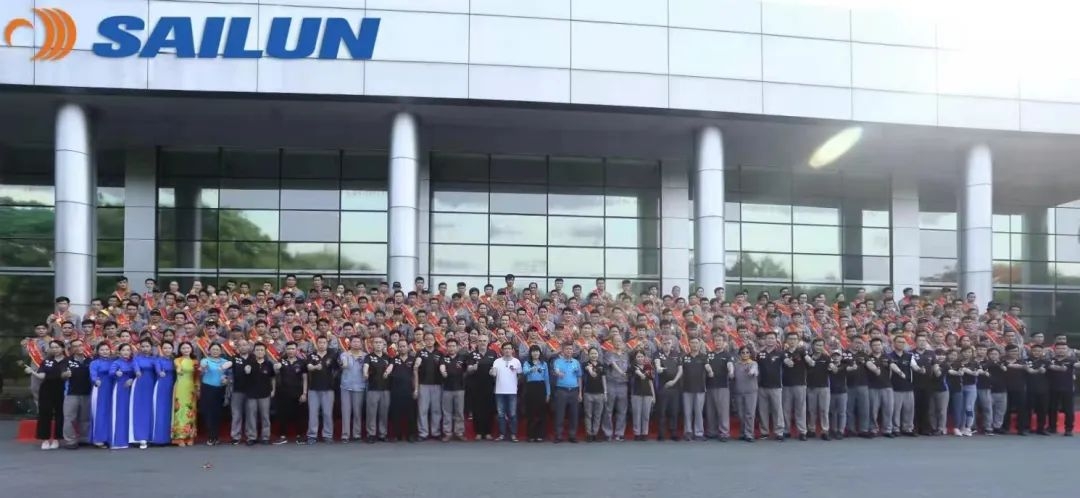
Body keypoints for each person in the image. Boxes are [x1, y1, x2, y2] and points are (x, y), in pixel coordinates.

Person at [24, 340, 66, 450]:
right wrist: (32, 371)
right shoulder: (47, 361)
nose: (55, 349)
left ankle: (57, 439)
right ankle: (45, 439)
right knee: (44, 414)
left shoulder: (68, 360)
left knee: (60, 414)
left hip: (62, 389)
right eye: (52, 347)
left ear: (62, 348)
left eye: (57, 347)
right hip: (47, 389)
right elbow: (42, 376)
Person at [306, 336, 338, 444]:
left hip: (328, 389)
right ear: (317, 344)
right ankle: (312, 435)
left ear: (327, 344)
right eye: (320, 342)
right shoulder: (312, 355)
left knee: (327, 413)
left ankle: (327, 435)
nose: (322, 344)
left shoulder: (332, 356)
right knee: (313, 413)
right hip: (313, 389)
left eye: (324, 342)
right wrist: (315, 367)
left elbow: (338, 368)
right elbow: (309, 366)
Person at [275, 342, 308, 445]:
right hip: (283, 393)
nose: (290, 351)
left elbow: (305, 378)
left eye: (293, 349)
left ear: (296, 350)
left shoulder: (302, 362)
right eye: (289, 349)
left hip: (298, 392)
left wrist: (304, 393)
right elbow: (275, 374)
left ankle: (300, 436)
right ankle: (283, 436)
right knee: (283, 415)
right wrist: (276, 368)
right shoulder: (281, 361)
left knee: (300, 415)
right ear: (286, 350)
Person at [61, 338, 92, 449]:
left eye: (80, 345)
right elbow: (62, 374)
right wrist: (65, 375)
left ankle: (84, 438)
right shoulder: (66, 361)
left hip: (87, 393)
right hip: (71, 394)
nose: (78, 348)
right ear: (71, 349)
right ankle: (70, 441)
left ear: (84, 346)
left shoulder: (90, 360)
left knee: (85, 418)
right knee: (69, 418)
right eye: (75, 346)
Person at [198, 343, 231, 446]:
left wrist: (227, 379)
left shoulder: (225, 362)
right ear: (209, 351)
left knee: (218, 414)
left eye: (217, 349)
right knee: (208, 413)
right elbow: (202, 368)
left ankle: (216, 436)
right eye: (213, 349)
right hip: (208, 389)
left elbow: (229, 375)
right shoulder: (205, 360)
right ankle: (211, 436)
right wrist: (203, 367)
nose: (215, 351)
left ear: (221, 351)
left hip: (220, 390)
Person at [467, 335, 498, 440]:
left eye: (484, 341)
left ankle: (488, 432)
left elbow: (496, 368)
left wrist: (494, 371)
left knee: (489, 409)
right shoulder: (472, 354)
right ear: (477, 342)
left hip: (489, 386)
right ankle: (479, 432)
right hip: (476, 386)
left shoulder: (493, 353)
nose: (482, 342)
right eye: (480, 341)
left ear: (488, 342)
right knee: (477, 410)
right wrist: (473, 368)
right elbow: (468, 370)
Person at [244, 342, 276, 445]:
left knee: (265, 416)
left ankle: (265, 437)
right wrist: (246, 370)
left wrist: (273, 390)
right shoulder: (249, 363)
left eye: (262, 350)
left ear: (265, 352)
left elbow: (273, 378)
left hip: (265, 394)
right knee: (251, 416)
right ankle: (251, 437)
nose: (259, 352)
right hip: (251, 394)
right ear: (254, 352)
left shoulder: (269, 364)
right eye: (257, 350)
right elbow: (244, 376)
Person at [780, 332, 810, 441]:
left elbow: (810, 362)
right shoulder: (783, 353)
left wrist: (808, 358)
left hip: (800, 384)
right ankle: (786, 430)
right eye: (790, 339)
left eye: (794, 339)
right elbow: (786, 362)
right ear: (787, 340)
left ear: (798, 340)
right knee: (786, 409)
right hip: (786, 385)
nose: (792, 341)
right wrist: (788, 361)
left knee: (800, 409)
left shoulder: (802, 352)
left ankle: (802, 431)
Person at [414, 332, 443, 441]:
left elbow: (443, 367)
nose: (429, 341)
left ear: (434, 340)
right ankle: (423, 433)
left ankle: (436, 432)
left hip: (437, 384)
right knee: (423, 410)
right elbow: (416, 368)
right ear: (424, 341)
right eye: (427, 339)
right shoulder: (420, 353)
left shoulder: (439, 353)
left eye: (431, 339)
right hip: (423, 385)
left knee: (436, 410)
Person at [490, 342, 522, 442]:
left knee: (512, 414)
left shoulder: (516, 361)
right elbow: (494, 372)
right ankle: (502, 434)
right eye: (505, 348)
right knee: (501, 414)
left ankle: (513, 434)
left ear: (512, 350)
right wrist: (492, 372)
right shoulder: (497, 361)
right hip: (499, 391)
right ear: (502, 350)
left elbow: (520, 375)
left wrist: (515, 385)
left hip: (512, 391)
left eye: (509, 348)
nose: (507, 350)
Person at [551, 342, 582, 443]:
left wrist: (580, 392)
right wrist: (558, 373)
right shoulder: (557, 361)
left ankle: (572, 435)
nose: (569, 351)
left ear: (573, 351)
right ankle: (558, 435)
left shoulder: (576, 362)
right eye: (567, 349)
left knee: (574, 414)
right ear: (563, 350)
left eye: (570, 349)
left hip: (574, 390)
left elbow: (579, 377)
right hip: (561, 390)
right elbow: (556, 370)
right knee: (560, 413)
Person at [756, 332, 785, 441]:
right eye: (768, 338)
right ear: (765, 340)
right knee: (763, 410)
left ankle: (779, 432)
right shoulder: (760, 354)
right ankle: (764, 432)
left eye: (772, 338)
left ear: (776, 340)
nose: (770, 340)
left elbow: (786, 362)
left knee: (777, 410)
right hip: (762, 386)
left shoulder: (780, 353)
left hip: (776, 386)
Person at [704, 333, 732, 442]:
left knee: (723, 411)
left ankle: (724, 433)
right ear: (713, 342)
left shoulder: (727, 355)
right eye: (716, 340)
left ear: (724, 342)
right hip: (710, 386)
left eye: (720, 340)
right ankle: (712, 432)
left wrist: (731, 371)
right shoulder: (709, 355)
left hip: (722, 386)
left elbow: (730, 365)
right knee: (710, 411)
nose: (718, 342)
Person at [1046, 343, 1079, 436]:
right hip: (1052, 388)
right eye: (1058, 348)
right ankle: (1052, 427)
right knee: (1052, 408)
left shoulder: (1072, 360)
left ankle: (1068, 429)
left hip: (1067, 388)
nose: (1060, 350)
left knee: (1069, 409)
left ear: (1067, 350)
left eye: (1063, 348)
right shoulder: (1050, 360)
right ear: (1055, 350)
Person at [602, 334, 630, 442]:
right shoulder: (608, 354)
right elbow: (612, 365)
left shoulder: (626, 354)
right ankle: (608, 433)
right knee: (608, 409)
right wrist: (621, 372)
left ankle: (619, 433)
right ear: (612, 342)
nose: (618, 343)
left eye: (620, 341)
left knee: (622, 410)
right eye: (616, 341)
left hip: (623, 384)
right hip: (611, 383)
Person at [130, 338, 158, 449]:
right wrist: (137, 372)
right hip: (140, 385)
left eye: (147, 346)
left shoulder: (155, 359)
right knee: (140, 410)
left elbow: (158, 369)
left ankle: (152, 436)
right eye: (143, 346)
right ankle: (140, 436)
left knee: (151, 410)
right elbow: (135, 367)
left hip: (153, 385)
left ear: (151, 348)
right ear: (139, 348)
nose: (145, 348)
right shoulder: (136, 359)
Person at [439, 338, 468, 441]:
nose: (451, 348)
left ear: (457, 347)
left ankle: (459, 432)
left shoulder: (462, 358)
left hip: (460, 388)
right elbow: (442, 366)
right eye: (449, 346)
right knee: (447, 412)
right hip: (447, 389)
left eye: (453, 346)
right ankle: (447, 433)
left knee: (459, 412)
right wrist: (443, 372)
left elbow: (467, 369)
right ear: (446, 347)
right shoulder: (444, 358)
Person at [110, 343, 138, 449]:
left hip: (132, 389)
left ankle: (130, 439)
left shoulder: (133, 362)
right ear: (119, 352)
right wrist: (116, 373)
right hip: (120, 388)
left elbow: (136, 374)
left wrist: (132, 379)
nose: (126, 352)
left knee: (129, 413)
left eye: (128, 350)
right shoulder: (116, 362)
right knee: (120, 413)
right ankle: (118, 441)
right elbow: (111, 373)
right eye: (123, 350)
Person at [654, 336, 682, 441]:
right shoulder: (658, 354)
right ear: (661, 344)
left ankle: (673, 433)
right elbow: (657, 363)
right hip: (663, 387)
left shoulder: (677, 354)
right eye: (664, 343)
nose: (666, 345)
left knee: (674, 411)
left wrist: (674, 381)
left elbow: (680, 370)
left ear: (672, 344)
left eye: (668, 343)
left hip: (675, 387)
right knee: (662, 412)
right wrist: (658, 368)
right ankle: (661, 434)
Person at [389, 339, 418, 442]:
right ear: (398, 348)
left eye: (404, 346)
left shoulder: (413, 359)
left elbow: (415, 375)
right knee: (396, 414)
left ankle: (411, 435)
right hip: (396, 390)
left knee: (411, 414)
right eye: (400, 346)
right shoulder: (393, 359)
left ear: (408, 347)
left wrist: (416, 389)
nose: (402, 348)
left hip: (409, 390)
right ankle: (397, 435)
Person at [339, 336, 367, 443]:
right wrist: (344, 364)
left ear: (361, 344)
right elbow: (343, 364)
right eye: (354, 341)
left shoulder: (365, 356)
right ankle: (345, 435)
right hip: (346, 386)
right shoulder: (344, 355)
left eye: (358, 342)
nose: (356, 343)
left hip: (359, 386)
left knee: (357, 411)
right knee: (345, 411)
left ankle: (357, 434)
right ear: (350, 343)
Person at [679, 337, 707, 441]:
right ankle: (688, 432)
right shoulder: (684, 357)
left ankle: (699, 433)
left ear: (699, 345)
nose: (694, 345)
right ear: (689, 344)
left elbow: (708, 369)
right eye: (692, 343)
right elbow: (680, 372)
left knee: (699, 412)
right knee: (687, 412)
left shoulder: (704, 357)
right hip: (687, 388)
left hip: (700, 388)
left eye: (696, 343)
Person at [364, 337, 391, 443]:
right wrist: (365, 373)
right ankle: (371, 434)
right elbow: (366, 366)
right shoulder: (369, 357)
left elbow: (391, 368)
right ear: (372, 345)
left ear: (384, 345)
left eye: (380, 342)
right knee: (371, 413)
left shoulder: (387, 357)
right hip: (373, 389)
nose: (378, 344)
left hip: (385, 389)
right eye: (376, 342)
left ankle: (382, 434)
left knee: (384, 413)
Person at [521, 344, 550, 442]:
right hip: (531, 388)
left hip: (541, 387)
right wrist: (531, 369)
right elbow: (524, 372)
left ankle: (540, 435)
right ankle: (531, 435)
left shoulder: (544, 364)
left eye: (537, 351)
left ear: (540, 353)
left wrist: (548, 393)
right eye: (533, 351)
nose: (535, 353)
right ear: (530, 353)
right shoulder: (527, 363)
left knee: (541, 412)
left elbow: (547, 379)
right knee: (531, 412)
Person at [171, 342, 198, 446]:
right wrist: (178, 369)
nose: (186, 350)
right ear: (180, 350)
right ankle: (180, 437)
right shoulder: (177, 360)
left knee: (191, 411)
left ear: (191, 349)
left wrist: (197, 388)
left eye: (188, 348)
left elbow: (197, 376)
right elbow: (178, 367)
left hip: (191, 388)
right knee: (180, 410)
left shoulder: (195, 361)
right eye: (183, 348)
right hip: (180, 387)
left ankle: (190, 436)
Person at [888, 335, 915, 437]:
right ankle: (896, 428)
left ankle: (908, 428)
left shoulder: (909, 356)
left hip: (908, 386)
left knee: (909, 409)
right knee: (896, 410)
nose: (901, 344)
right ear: (894, 343)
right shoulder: (889, 356)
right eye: (899, 342)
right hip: (895, 387)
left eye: (903, 342)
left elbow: (914, 367)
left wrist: (920, 369)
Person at [805, 338, 832, 441]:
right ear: (813, 346)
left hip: (824, 387)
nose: (819, 347)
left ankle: (825, 431)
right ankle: (811, 429)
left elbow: (831, 369)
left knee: (824, 410)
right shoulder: (808, 358)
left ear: (823, 347)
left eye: (821, 345)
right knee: (811, 410)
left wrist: (832, 367)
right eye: (817, 345)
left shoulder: (827, 357)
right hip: (811, 387)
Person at [89, 342, 114, 448]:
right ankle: (98, 439)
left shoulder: (113, 362)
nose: (105, 352)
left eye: (107, 349)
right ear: (98, 351)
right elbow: (93, 375)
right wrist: (95, 380)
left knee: (111, 412)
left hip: (112, 389)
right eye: (102, 350)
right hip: (100, 389)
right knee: (100, 412)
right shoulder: (94, 363)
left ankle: (109, 437)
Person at [151, 341, 176, 446]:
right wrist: (160, 372)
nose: (167, 350)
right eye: (165, 348)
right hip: (161, 386)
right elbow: (158, 369)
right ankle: (159, 439)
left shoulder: (175, 360)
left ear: (172, 349)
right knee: (161, 411)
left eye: (169, 348)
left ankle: (171, 438)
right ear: (161, 349)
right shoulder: (158, 360)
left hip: (173, 386)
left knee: (171, 411)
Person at [732, 346, 759, 442]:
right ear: (740, 354)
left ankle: (749, 434)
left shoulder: (753, 363)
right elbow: (732, 376)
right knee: (740, 414)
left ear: (750, 354)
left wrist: (751, 372)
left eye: (747, 352)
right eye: (743, 352)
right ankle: (743, 432)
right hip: (738, 392)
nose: (745, 354)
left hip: (751, 392)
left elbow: (755, 371)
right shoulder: (736, 365)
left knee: (749, 414)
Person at [229, 340, 252, 445]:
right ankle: (236, 436)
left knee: (250, 414)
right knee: (236, 414)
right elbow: (228, 370)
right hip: (237, 390)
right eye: (240, 345)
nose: (242, 347)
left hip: (251, 391)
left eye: (244, 345)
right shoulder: (234, 358)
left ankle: (250, 436)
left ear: (249, 346)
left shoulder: (254, 358)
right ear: (237, 348)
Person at [582, 347, 607, 442]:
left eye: (595, 353)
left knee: (598, 415)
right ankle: (589, 434)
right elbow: (590, 372)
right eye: (592, 353)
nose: (594, 355)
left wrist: (605, 392)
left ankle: (595, 433)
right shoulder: (585, 364)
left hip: (600, 393)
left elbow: (604, 379)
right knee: (588, 414)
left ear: (598, 354)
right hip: (588, 393)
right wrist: (590, 370)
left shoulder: (601, 365)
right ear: (588, 355)